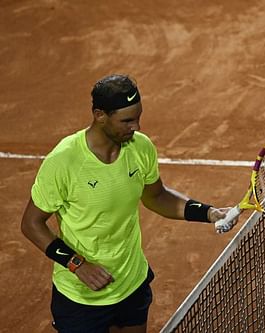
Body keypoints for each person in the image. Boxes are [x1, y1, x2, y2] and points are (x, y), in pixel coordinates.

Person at [20, 74, 236, 333]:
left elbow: (157, 197)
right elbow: (31, 223)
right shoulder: (64, 161)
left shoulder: (140, 148)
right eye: (127, 120)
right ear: (100, 115)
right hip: (82, 298)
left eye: (138, 117)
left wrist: (209, 213)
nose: (137, 127)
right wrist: (77, 264)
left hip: (131, 282)